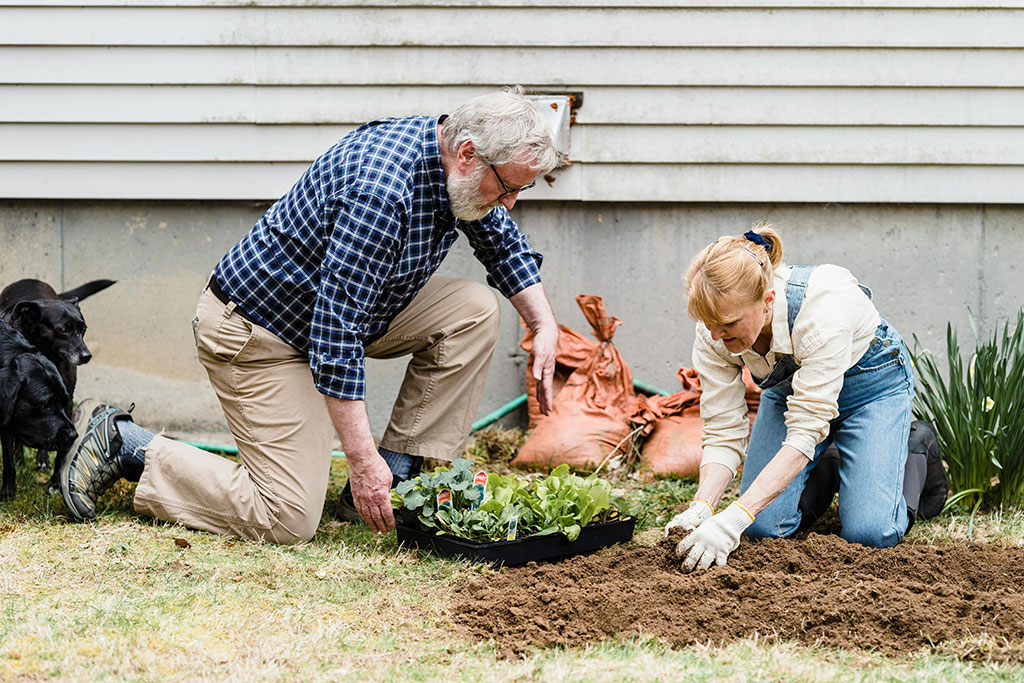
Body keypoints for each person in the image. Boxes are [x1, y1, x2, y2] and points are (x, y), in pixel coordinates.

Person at [58, 87, 562, 543]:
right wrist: (360, 462)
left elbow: (498, 237)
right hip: (259, 336)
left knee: (471, 311)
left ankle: (398, 476)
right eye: (507, 187)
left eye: (522, 190)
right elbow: (336, 335)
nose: (511, 203)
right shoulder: (382, 190)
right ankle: (127, 444)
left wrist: (543, 324)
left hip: (341, 313)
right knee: (288, 517)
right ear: (469, 155)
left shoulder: (456, 157)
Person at [665, 225, 947, 571]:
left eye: (728, 323)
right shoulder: (715, 329)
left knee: (871, 533)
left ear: (767, 301)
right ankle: (828, 462)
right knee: (761, 528)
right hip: (793, 394)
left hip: (872, 386)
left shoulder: (823, 309)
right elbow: (723, 428)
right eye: (708, 324)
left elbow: (804, 433)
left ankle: (915, 449)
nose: (715, 335)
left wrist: (731, 520)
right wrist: (703, 507)